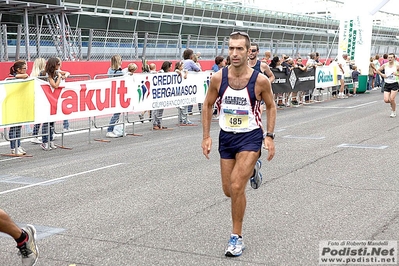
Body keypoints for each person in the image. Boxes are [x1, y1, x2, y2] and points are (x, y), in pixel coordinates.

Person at [201, 31, 276, 257]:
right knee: (228, 191)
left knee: (236, 186)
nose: (234, 53)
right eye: (231, 48)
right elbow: (207, 105)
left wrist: (270, 135)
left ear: (248, 51)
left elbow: (271, 106)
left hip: (250, 136)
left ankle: (236, 237)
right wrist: (206, 136)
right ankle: (253, 171)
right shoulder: (218, 78)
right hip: (227, 137)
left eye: (239, 49)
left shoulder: (260, 80)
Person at [40, 57, 67, 150]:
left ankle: (50, 140)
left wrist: (64, 75)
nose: (59, 66)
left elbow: (66, 73)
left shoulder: (55, 72)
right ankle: (44, 141)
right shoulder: (46, 73)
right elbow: (55, 85)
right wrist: (60, 77)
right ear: (53, 64)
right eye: (58, 64)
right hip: (45, 99)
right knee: (47, 122)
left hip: (53, 99)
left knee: (52, 122)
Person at [7, 60, 29, 155]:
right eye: (24, 68)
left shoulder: (20, 76)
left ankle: (18, 145)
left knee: (19, 126)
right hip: (12, 104)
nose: (26, 70)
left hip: (20, 104)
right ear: (18, 70)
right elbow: (23, 76)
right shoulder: (11, 77)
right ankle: (13, 147)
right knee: (13, 127)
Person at [375, 53, 399, 118]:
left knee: (392, 98)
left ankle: (393, 111)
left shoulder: (397, 65)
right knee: (386, 100)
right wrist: (382, 75)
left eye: (391, 57)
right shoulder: (385, 65)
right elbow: (377, 70)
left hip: (394, 83)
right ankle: (392, 104)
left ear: (394, 58)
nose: (390, 59)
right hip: (387, 83)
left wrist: (396, 74)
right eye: (389, 57)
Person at [106, 55, 124, 138]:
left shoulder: (110, 70)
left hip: (114, 92)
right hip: (117, 93)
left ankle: (114, 129)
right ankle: (110, 129)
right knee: (117, 112)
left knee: (118, 112)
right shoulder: (119, 71)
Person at [30, 58, 47, 144]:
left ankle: (35, 135)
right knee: (42, 117)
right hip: (40, 98)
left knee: (40, 117)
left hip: (36, 97)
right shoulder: (41, 75)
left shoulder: (33, 74)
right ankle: (36, 134)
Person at [152, 61, 172, 130]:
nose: (171, 68)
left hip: (163, 94)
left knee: (161, 110)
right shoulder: (161, 72)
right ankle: (155, 124)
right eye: (170, 66)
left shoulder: (169, 73)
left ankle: (159, 123)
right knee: (156, 110)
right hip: (158, 93)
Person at [183, 49, 201, 115]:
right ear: (190, 55)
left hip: (184, 82)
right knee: (192, 94)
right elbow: (198, 69)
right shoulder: (190, 62)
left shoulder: (182, 61)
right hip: (191, 81)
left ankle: (186, 111)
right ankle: (189, 110)